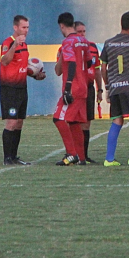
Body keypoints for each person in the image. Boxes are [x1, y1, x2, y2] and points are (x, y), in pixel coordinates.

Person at [99, 12, 129, 167]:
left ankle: (109, 159)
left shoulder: (109, 43)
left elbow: (103, 67)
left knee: (117, 121)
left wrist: (107, 86)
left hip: (114, 87)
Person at [0, 14, 45, 165]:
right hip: (9, 88)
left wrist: (35, 75)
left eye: (27, 27)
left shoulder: (25, 45)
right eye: (23, 27)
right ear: (15, 27)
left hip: (22, 87)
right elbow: (5, 61)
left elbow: (21, 67)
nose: (26, 30)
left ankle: (13, 156)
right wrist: (14, 45)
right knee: (11, 123)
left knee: (19, 123)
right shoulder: (8, 42)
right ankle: (7, 158)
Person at [52, 12, 90, 166]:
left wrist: (67, 87)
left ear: (62, 26)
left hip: (72, 87)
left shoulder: (67, 42)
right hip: (83, 87)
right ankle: (81, 158)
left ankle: (71, 154)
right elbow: (88, 62)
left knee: (58, 118)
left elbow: (72, 63)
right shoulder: (83, 41)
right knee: (74, 122)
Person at [75, 21, 103, 163]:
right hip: (76, 88)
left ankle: (84, 156)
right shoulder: (68, 46)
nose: (82, 34)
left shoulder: (92, 47)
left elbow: (97, 70)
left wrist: (100, 89)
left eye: (84, 31)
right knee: (74, 123)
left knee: (86, 123)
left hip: (89, 88)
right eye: (79, 32)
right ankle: (74, 154)